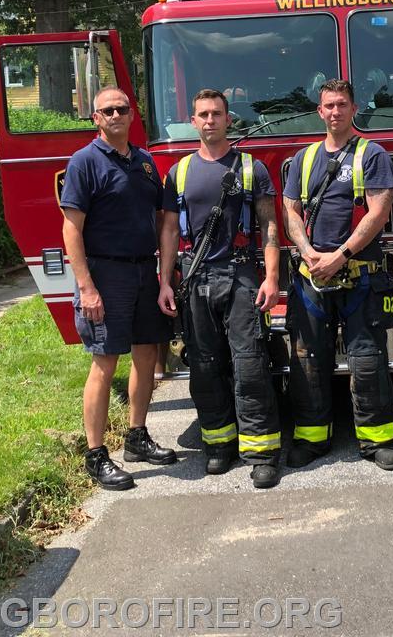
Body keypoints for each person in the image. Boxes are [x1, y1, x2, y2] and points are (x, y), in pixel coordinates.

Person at [157, 89, 283, 490]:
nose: (209, 120)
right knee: (205, 366)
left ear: (229, 119)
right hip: (195, 279)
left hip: (242, 275)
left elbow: (270, 226)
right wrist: (165, 281)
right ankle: (218, 445)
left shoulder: (251, 168)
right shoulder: (178, 173)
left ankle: (262, 454)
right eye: (202, 115)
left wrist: (272, 277)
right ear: (193, 122)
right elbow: (171, 231)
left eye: (216, 114)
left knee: (249, 365)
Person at [60, 86, 177, 491]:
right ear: (95, 118)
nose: (114, 115)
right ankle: (96, 456)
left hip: (145, 272)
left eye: (121, 109)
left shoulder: (145, 162)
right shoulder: (84, 163)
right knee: (105, 362)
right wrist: (86, 287)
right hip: (106, 275)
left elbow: (163, 221)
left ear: (132, 115)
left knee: (146, 356)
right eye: (106, 110)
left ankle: (136, 437)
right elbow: (70, 229)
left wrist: (163, 278)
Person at [281, 79, 393, 471]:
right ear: (320, 111)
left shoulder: (372, 154)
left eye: (342, 105)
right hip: (311, 278)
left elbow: (378, 212)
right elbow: (291, 209)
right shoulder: (304, 159)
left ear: (354, 109)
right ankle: (312, 438)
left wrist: (340, 254)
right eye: (329, 105)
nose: (335, 112)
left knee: (367, 361)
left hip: (360, 276)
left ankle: (377, 440)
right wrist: (308, 252)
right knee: (308, 360)